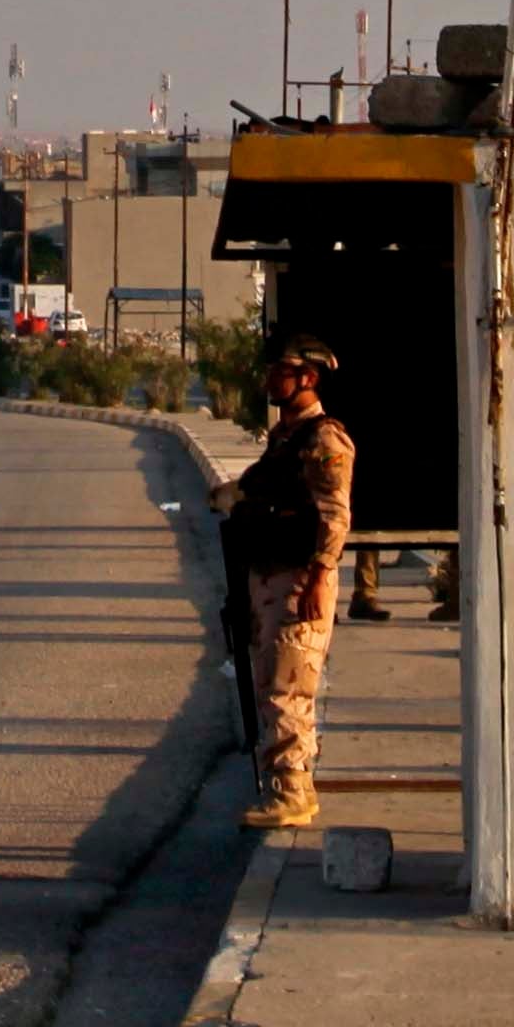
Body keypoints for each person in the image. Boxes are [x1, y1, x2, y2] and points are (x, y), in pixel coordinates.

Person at [214, 340, 355, 828]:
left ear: (309, 378)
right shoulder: (286, 439)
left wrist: (319, 576)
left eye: (284, 371)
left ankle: (291, 791)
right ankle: (289, 785)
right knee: (271, 678)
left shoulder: (324, 440)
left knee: (287, 685)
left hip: (299, 577)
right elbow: (252, 488)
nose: (273, 379)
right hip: (271, 573)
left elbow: (335, 517)